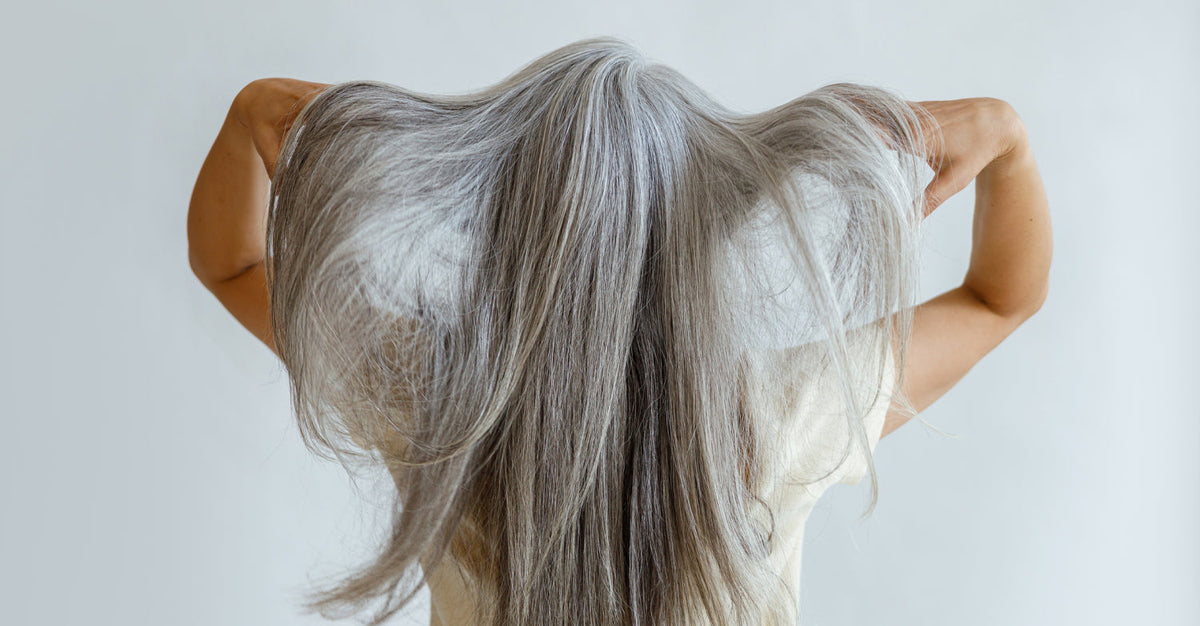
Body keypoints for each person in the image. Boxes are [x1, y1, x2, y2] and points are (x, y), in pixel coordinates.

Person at [188, 37, 1051, 626]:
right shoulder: (781, 413)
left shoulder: (437, 404)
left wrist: (251, 111)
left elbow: (230, 265)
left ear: (503, 224)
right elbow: (1000, 299)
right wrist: (1005, 139)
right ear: (705, 229)